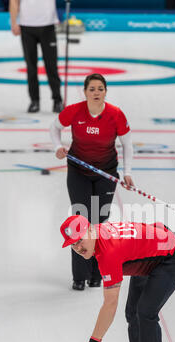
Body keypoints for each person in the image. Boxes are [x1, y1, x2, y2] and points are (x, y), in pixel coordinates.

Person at [50, 73, 134, 291]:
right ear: (85, 92)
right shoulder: (75, 111)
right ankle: (79, 276)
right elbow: (55, 127)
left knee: (99, 222)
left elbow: (127, 144)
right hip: (79, 171)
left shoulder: (115, 114)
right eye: (92, 89)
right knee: (80, 220)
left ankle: (97, 272)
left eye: (100, 89)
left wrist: (127, 172)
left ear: (105, 91)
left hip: (106, 173)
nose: (96, 93)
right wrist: (57, 147)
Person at [9, 0, 63, 113]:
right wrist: (14, 22)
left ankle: (57, 100)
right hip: (27, 26)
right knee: (31, 67)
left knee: (51, 66)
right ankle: (34, 101)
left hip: (48, 25)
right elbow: (14, 1)